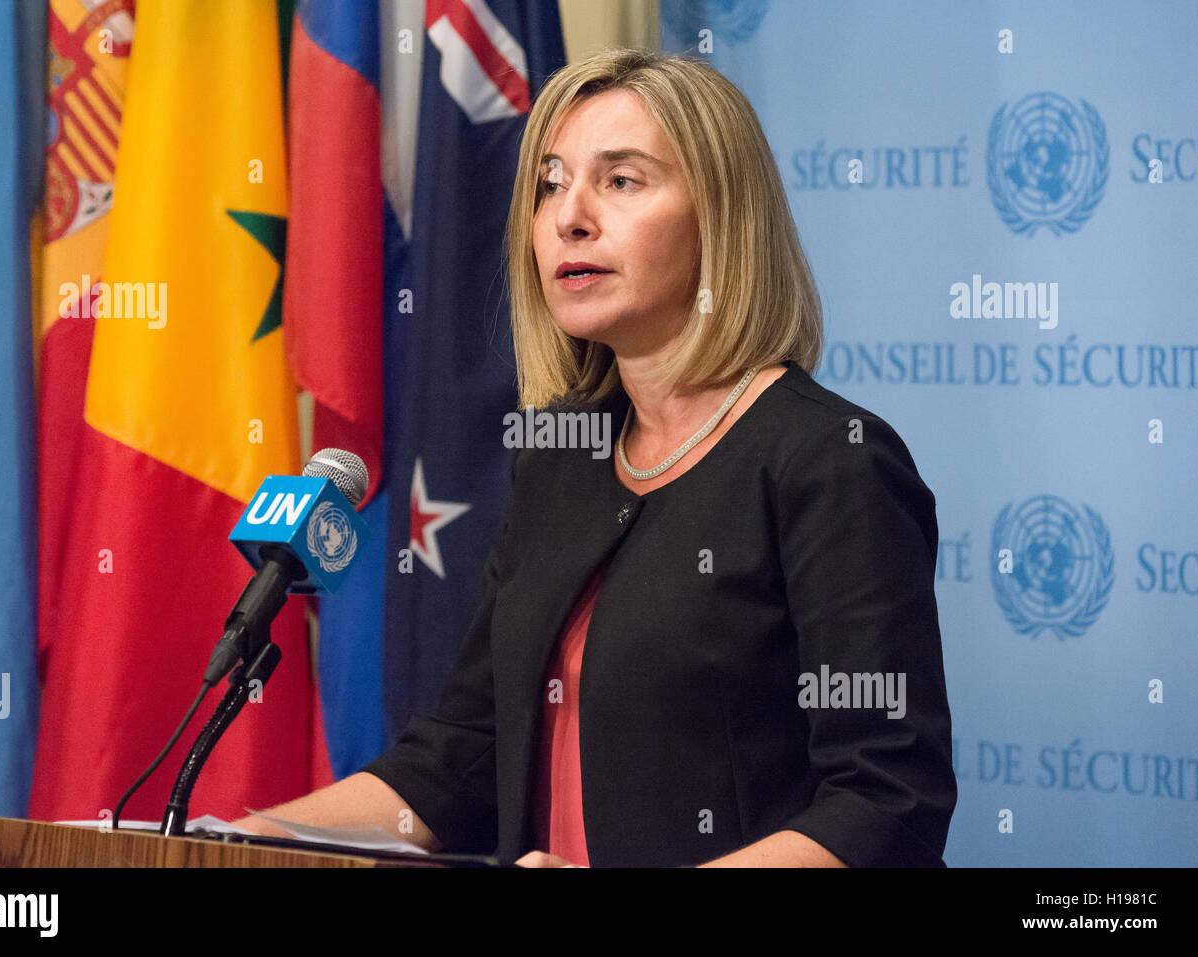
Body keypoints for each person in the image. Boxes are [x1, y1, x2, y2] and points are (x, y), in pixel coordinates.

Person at [237, 48, 956, 867]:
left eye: (621, 180)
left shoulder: (829, 464)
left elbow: (886, 803)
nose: (568, 216)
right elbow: (461, 758)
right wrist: (240, 841)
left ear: (721, 216)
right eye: (550, 183)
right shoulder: (558, 461)